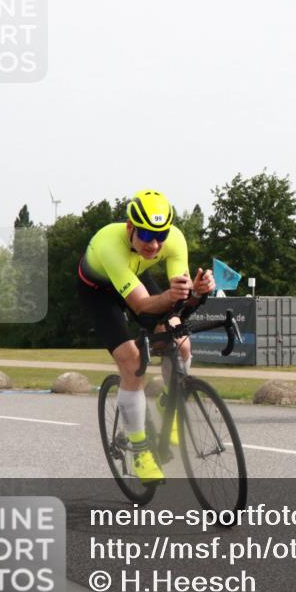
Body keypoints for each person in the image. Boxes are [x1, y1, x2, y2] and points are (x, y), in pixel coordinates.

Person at [77, 189, 214, 483]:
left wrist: (196, 294)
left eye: (160, 236)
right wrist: (173, 296)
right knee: (131, 360)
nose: (154, 244)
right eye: (145, 235)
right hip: (99, 291)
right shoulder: (109, 245)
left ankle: (168, 400)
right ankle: (140, 450)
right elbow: (141, 305)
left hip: (135, 277)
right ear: (130, 228)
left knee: (182, 343)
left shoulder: (174, 239)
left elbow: (178, 299)